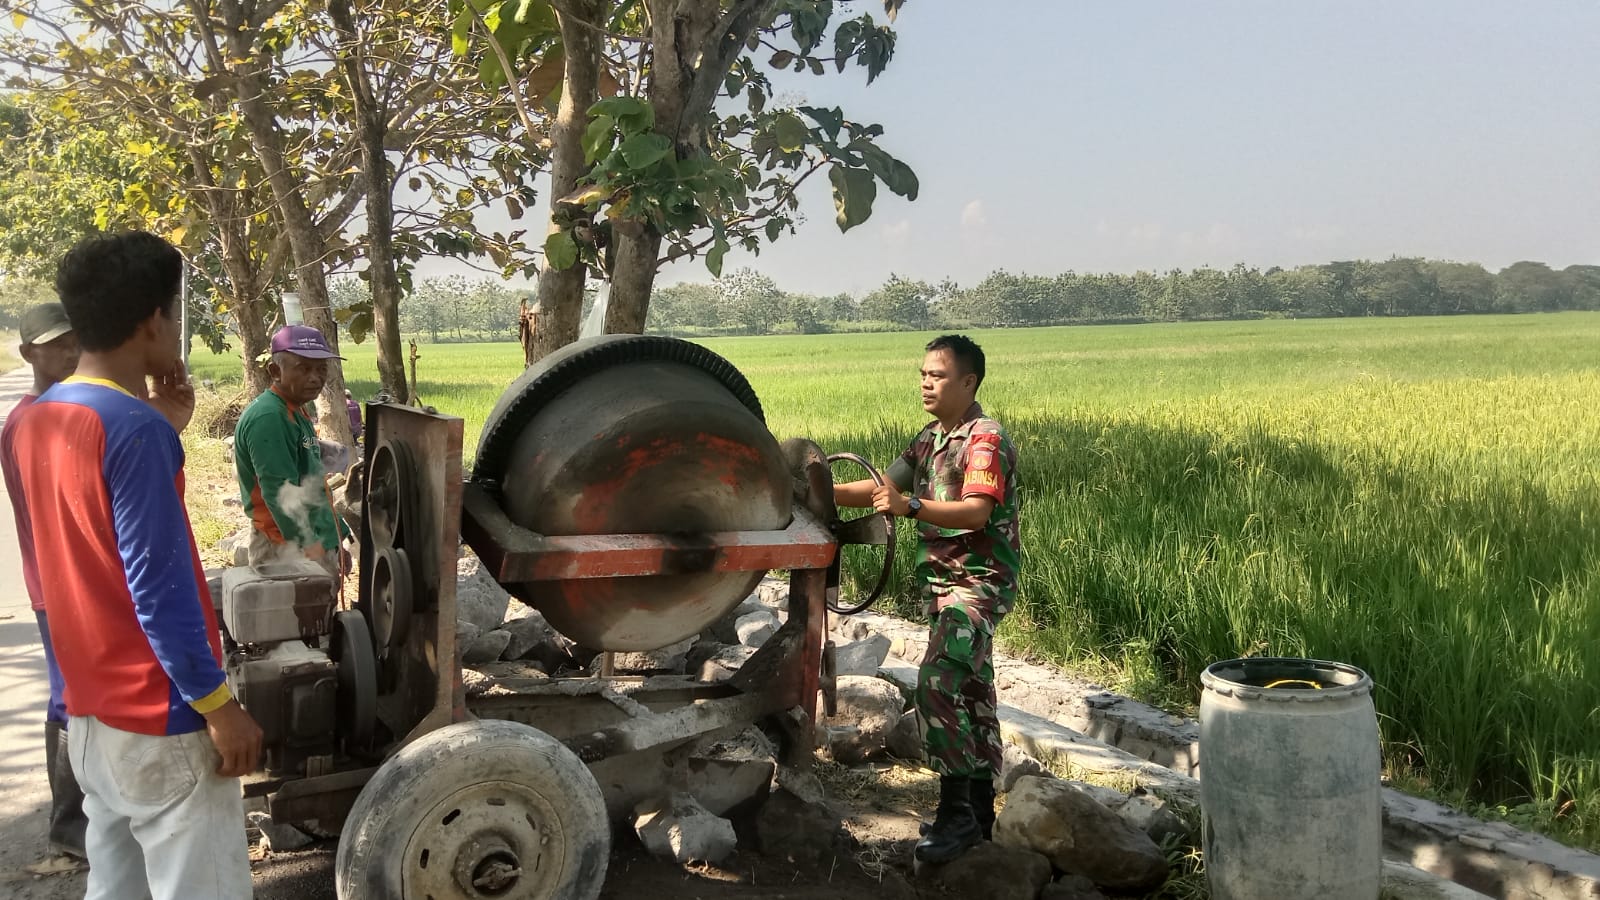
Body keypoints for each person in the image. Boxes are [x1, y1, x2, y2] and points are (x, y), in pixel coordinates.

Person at [11, 231, 262, 899]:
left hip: (91, 714)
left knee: (117, 886)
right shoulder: (134, 430)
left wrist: (165, 434)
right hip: (161, 717)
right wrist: (219, 706)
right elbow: (158, 588)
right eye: (176, 313)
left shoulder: (38, 418)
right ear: (155, 320)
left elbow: (75, 548)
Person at [833, 334, 1021, 865]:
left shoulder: (984, 440)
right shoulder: (929, 438)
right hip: (943, 585)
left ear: (969, 381)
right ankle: (979, 812)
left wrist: (911, 506)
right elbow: (877, 487)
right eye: (923, 374)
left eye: (937, 376)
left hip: (977, 583)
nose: (926, 382)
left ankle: (955, 815)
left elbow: (976, 511)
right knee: (972, 691)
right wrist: (812, 486)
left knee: (938, 683)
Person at [0, 302, 87, 867]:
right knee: (67, 699)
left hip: (65, 583)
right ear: (28, 352)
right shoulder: (32, 420)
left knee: (79, 698)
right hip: (53, 586)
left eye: (74, 341)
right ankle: (67, 830)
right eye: (55, 344)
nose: (67, 352)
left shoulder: (63, 410)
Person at [233, 324, 350, 576]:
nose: (316, 378)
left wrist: (336, 538)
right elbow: (279, 494)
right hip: (284, 548)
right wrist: (315, 551)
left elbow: (313, 484)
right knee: (295, 614)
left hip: (308, 539)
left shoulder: (295, 410)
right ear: (275, 371)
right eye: (304, 368)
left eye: (321, 369)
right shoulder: (269, 417)